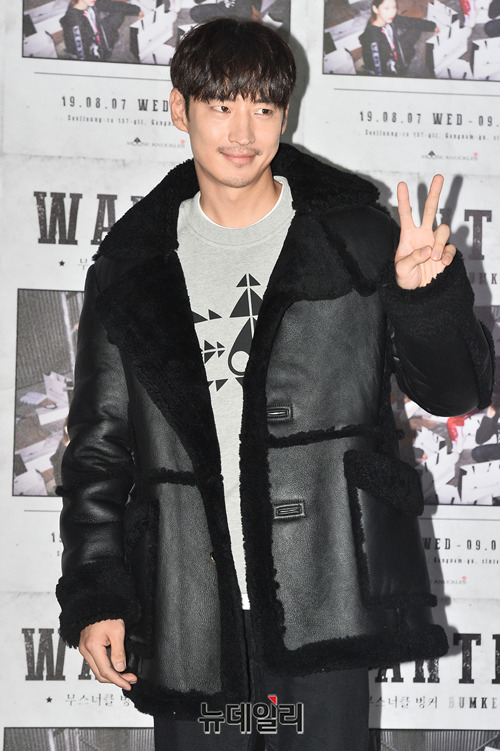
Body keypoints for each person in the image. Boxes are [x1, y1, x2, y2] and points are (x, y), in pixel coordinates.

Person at [55, 18, 494, 751]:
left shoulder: (355, 238)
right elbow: (99, 449)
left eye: (263, 107)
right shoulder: (131, 265)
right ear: (179, 109)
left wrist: (426, 302)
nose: (243, 130)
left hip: (328, 594)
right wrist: (97, 592)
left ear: (285, 116)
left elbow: (455, 394)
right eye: (221, 104)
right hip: (191, 606)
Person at [359, 0, 437, 76]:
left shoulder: (386, 19)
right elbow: (378, 71)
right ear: (375, 9)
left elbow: (408, 21)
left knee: (415, 29)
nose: (392, 12)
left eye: (394, 7)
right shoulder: (373, 39)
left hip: (395, 49)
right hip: (392, 67)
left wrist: (433, 26)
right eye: (386, 8)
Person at [60, 0, 143, 61]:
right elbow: (81, 55)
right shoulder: (75, 22)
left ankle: (107, 41)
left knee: (119, 14)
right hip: (93, 49)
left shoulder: (88, 3)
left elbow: (111, 5)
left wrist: (137, 10)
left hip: (96, 33)